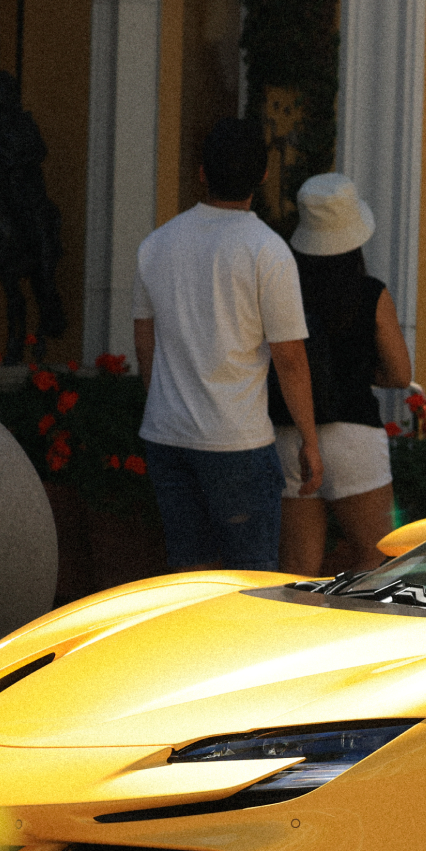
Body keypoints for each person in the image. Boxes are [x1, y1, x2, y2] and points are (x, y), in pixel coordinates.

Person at [134, 118, 321, 573]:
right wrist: (310, 441)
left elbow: (145, 341)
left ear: (201, 173)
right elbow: (290, 359)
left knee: (186, 578)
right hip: (237, 441)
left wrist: (163, 402)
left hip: (166, 436)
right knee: (251, 581)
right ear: (263, 177)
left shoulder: (156, 245)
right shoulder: (267, 250)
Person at [271, 174, 412, 577]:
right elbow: (401, 374)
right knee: (379, 558)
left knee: (296, 569)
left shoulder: (283, 288)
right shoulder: (371, 294)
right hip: (354, 436)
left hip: (290, 433)